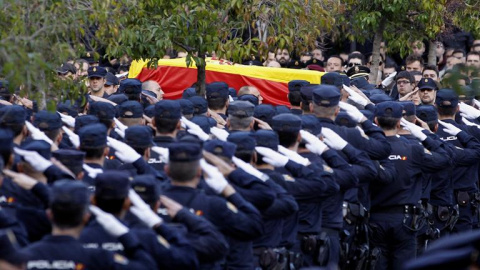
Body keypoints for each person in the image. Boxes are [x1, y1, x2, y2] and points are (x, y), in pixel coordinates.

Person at [369, 101, 450, 270]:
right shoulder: (413, 149)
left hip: (376, 218)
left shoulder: (370, 148)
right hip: (405, 220)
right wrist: (426, 135)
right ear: (399, 122)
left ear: (376, 121)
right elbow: (444, 158)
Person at [161, 142, 264, 269]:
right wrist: (228, 190)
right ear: (199, 171)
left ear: (166, 170)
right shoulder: (213, 204)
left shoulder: (152, 201)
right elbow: (254, 227)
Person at [22, 180, 157, 269]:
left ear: (49, 215)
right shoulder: (98, 257)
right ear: (86, 217)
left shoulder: (23, 256)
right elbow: (148, 267)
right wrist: (126, 237)